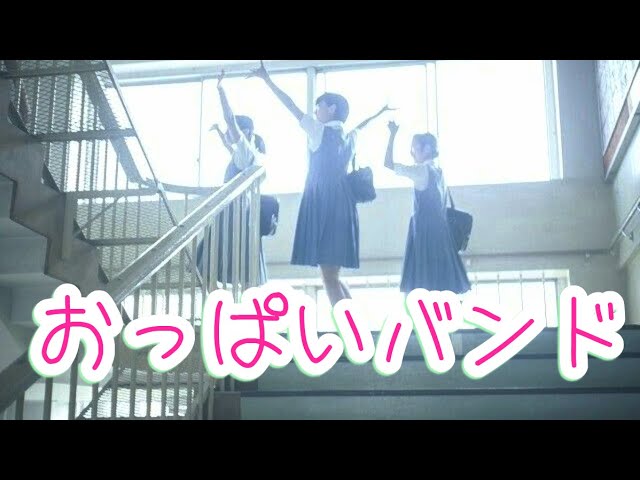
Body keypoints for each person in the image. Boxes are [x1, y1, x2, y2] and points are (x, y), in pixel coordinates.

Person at [248, 61, 392, 306]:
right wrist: (379, 113)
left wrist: (267, 80)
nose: (316, 112)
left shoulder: (319, 131)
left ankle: (349, 325)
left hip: (324, 203)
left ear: (332, 109)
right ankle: (354, 321)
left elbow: (290, 106)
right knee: (332, 275)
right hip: (343, 206)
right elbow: (362, 125)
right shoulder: (350, 137)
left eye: (319, 107)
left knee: (329, 278)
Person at [197, 70, 268, 288]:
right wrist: (220, 131)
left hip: (234, 213)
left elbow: (230, 118)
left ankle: (224, 299)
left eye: (232, 130)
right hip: (237, 213)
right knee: (236, 266)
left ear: (245, 131)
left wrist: (220, 89)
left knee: (216, 264)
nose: (230, 132)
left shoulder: (246, 150)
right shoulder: (246, 155)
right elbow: (228, 146)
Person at [384, 121, 470, 294]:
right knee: (440, 282)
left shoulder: (421, 171)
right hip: (441, 234)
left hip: (424, 233)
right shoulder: (439, 171)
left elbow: (388, 163)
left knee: (424, 281)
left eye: (415, 148)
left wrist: (392, 134)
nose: (412, 153)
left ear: (427, 149)